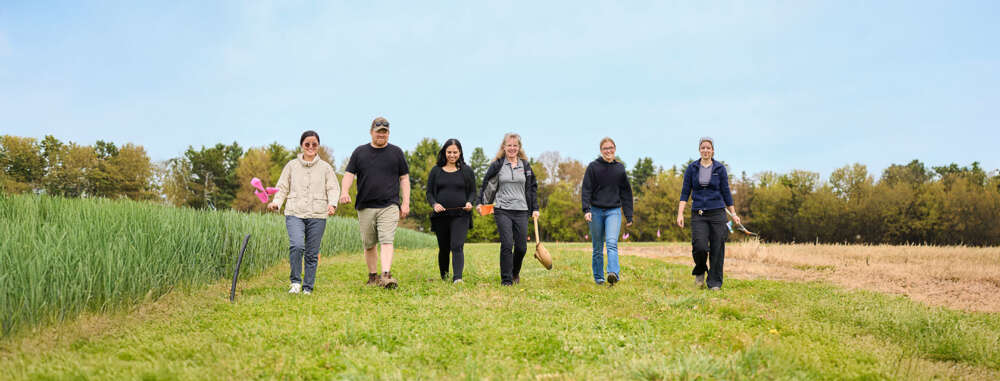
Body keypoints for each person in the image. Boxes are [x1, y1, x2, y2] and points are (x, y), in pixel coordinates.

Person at [339, 117, 410, 289]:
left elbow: (404, 178)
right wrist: (344, 192)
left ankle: (386, 275)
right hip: (365, 206)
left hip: (389, 204)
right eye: (378, 132)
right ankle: (373, 276)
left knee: (387, 239)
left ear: (388, 134)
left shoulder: (396, 152)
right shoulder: (360, 152)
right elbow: (349, 174)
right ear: (372, 132)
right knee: (369, 244)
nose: (381, 135)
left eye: (384, 132)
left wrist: (405, 202)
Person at [268, 130, 340, 295]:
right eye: (307, 144)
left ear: (318, 146)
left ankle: (308, 287)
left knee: (312, 252)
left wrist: (332, 205)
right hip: (294, 212)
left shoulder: (325, 168)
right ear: (301, 145)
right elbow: (282, 187)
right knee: (297, 245)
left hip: (318, 214)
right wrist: (276, 203)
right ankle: (295, 282)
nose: (310, 147)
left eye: (314, 144)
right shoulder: (291, 166)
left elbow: (333, 188)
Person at [677, 137, 740, 291]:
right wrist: (680, 213)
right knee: (699, 246)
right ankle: (700, 270)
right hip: (699, 213)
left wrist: (733, 213)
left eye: (708, 148)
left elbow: (726, 192)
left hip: (718, 213)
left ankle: (715, 283)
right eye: (703, 148)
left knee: (718, 247)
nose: (705, 150)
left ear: (713, 151)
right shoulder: (692, 168)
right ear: (699, 150)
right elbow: (685, 192)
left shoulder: (720, 169)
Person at [478, 133, 539, 286]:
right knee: (506, 244)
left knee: (521, 247)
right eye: (509, 145)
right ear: (504, 147)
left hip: (522, 210)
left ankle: (514, 272)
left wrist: (535, 208)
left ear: (519, 147)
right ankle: (506, 280)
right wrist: (481, 203)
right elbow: (486, 184)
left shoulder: (525, 166)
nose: (512, 148)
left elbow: (532, 188)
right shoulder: (497, 165)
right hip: (502, 209)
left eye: (515, 145)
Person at [581, 137, 634, 285]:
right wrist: (586, 209)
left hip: (614, 211)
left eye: (611, 148)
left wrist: (629, 215)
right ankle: (599, 278)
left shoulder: (620, 169)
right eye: (605, 148)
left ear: (615, 149)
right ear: (601, 151)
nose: (608, 151)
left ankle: (613, 273)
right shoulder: (593, 167)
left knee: (611, 242)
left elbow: (626, 193)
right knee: (597, 247)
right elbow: (586, 189)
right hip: (596, 211)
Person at [426, 139, 476, 283]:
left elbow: (473, 192)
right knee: (444, 248)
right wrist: (434, 204)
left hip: (461, 215)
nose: (452, 155)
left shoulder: (467, 171)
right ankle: (444, 276)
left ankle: (457, 278)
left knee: (457, 245)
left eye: (455, 152)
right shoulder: (436, 171)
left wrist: (469, 202)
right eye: (449, 152)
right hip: (441, 216)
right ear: (444, 152)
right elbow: (429, 193)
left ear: (460, 153)